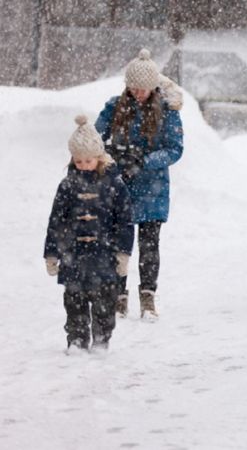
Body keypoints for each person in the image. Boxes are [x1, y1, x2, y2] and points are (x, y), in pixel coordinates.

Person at [95, 48, 184, 320]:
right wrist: (116, 154)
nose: (139, 93)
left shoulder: (167, 112)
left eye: (144, 88)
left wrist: (144, 161)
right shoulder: (114, 107)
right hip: (120, 186)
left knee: (149, 245)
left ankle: (147, 295)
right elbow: (96, 140)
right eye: (133, 88)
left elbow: (174, 149)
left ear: (154, 87)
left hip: (152, 188)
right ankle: (118, 296)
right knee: (118, 244)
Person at [45, 116, 134, 353]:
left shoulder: (115, 185)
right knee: (74, 301)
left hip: (104, 255)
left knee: (104, 302)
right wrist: (51, 254)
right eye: (79, 161)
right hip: (73, 256)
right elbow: (56, 221)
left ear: (99, 157)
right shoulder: (67, 186)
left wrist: (123, 253)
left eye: (88, 160)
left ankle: (102, 339)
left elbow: (125, 222)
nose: (83, 165)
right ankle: (76, 339)